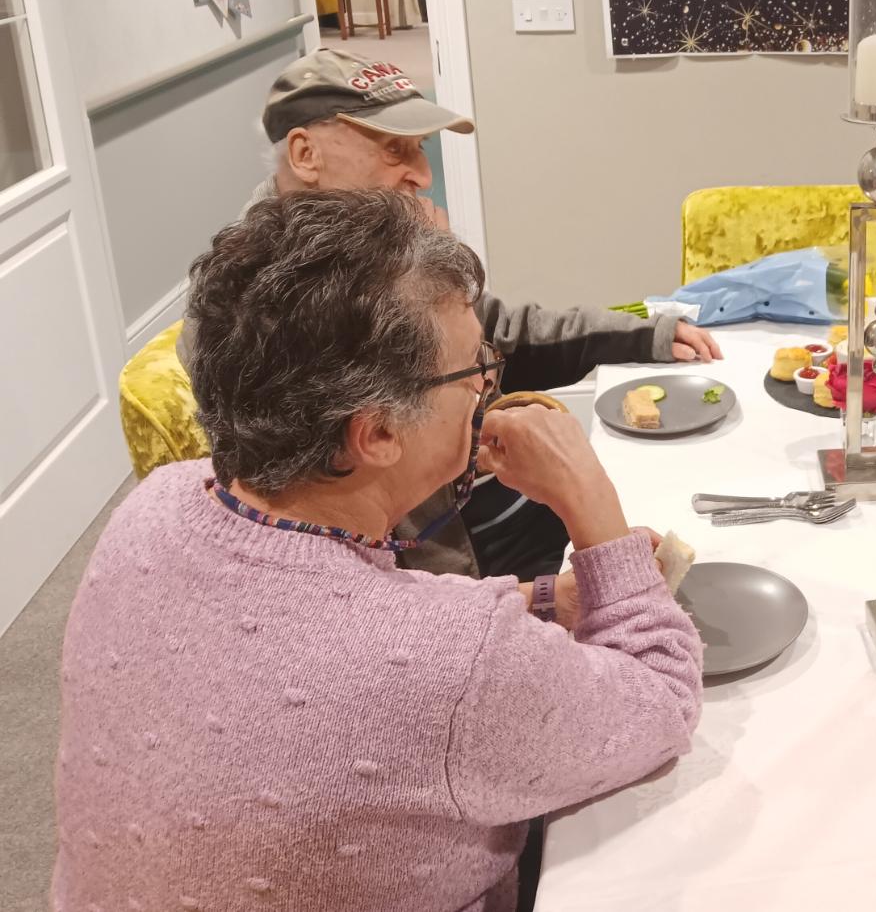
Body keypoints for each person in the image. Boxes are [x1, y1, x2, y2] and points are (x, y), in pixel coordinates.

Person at [54, 190, 703, 912]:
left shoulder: (156, 504)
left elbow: (311, 631)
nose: (488, 385)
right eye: (474, 371)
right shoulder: (455, 660)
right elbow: (661, 702)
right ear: (378, 433)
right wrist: (591, 502)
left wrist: (545, 598)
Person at [184, 46, 719, 580]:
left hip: (490, 501)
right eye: (396, 150)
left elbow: (508, 331)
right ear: (305, 154)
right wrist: (424, 293)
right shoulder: (254, 304)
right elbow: (339, 540)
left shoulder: (366, 248)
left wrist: (644, 335)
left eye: (420, 149)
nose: (421, 174)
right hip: (448, 567)